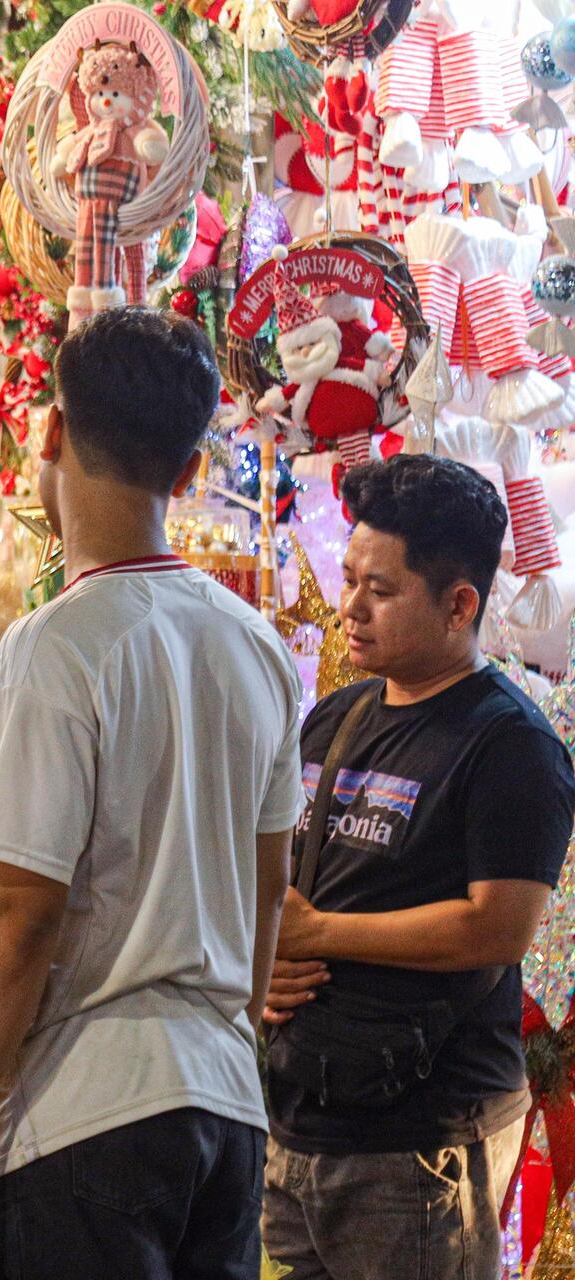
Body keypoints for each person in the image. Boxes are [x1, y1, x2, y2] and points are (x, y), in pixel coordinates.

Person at [0, 307, 303, 1279]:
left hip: (91, 1114)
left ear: (48, 433)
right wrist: (223, 1041)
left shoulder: (60, 642)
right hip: (224, 1107)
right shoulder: (255, 642)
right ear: (191, 471)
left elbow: (21, 908)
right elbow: (268, 886)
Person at [261, 454, 575, 1280]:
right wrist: (266, 963)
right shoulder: (338, 716)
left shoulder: (510, 744)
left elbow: (498, 927)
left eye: (381, 590)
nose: (350, 608)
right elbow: (285, 879)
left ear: (459, 604)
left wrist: (318, 932)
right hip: (299, 1118)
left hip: (424, 1139)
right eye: (349, 578)